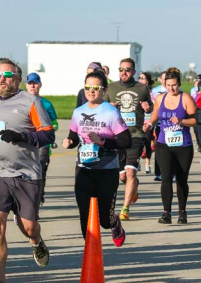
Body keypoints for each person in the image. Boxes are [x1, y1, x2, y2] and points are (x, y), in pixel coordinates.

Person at [0, 58, 54, 283]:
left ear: (18, 79)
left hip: (27, 174)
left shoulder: (30, 101)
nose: (3, 79)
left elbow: (47, 135)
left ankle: (36, 240)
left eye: (9, 75)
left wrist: (21, 136)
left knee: (27, 226)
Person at [63, 70, 129, 246]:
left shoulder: (111, 112)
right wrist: (69, 141)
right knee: (85, 213)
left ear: (104, 90)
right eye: (87, 87)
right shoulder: (78, 112)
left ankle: (115, 223)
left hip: (107, 170)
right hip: (84, 168)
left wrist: (102, 142)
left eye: (96, 87)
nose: (91, 91)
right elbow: (74, 136)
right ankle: (90, 250)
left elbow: (125, 141)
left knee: (104, 221)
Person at [145, 68, 197, 224]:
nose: (171, 88)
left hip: (183, 145)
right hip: (164, 144)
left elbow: (196, 120)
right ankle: (166, 213)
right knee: (166, 178)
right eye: (168, 85)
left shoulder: (186, 98)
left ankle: (182, 212)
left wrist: (181, 121)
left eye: (174, 85)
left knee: (181, 180)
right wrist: (150, 123)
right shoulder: (160, 98)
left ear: (179, 84)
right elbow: (155, 114)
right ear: (164, 84)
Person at [104, 58, 153, 221]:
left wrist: (148, 108)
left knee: (131, 171)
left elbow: (150, 108)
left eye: (127, 69)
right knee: (123, 176)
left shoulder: (142, 88)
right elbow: (101, 110)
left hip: (136, 136)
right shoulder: (111, 88)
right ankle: (133, 189)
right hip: (117, 137)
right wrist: (109, 107)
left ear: (133, 72)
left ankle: (125, 209)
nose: (124, 72)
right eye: (121, 69)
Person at [25, 73, 59, 205]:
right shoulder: (21, 101)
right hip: (25, 142)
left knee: (40, 171)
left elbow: (55, 123)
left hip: (42, 144)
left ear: (40, 85)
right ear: (26, 85)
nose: (33, 86)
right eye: (30, 83)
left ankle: (38, 196)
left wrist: (46, 128)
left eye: (35, 83)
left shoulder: (47, 104)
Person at [138, 72, 155, 174]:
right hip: (139, 120)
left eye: (143, 78)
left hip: (149, 120)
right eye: (139, 78)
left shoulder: (152, 92)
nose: (140, 80)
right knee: (138, 142)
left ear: (147, 80)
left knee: (147, 142)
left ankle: (148, 164)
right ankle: (137, 162)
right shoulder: (136, 91)